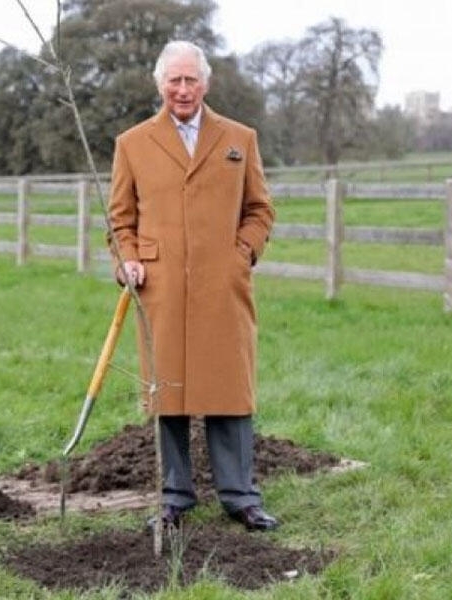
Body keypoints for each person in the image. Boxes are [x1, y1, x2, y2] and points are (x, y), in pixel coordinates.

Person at [107, 41, 278, 532]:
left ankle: (240, 496)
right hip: (159, 288)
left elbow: (260, 209)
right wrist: (130, 260)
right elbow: (120, 220)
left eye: (191, 80)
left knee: (229, 388)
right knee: (169, 391)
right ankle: (174, 496)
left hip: (222, 286)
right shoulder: (133, 143)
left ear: (206, 83)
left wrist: (241, 254)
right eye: (174, 81)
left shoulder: (238, 139)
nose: (182, 90)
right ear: (159, 84)